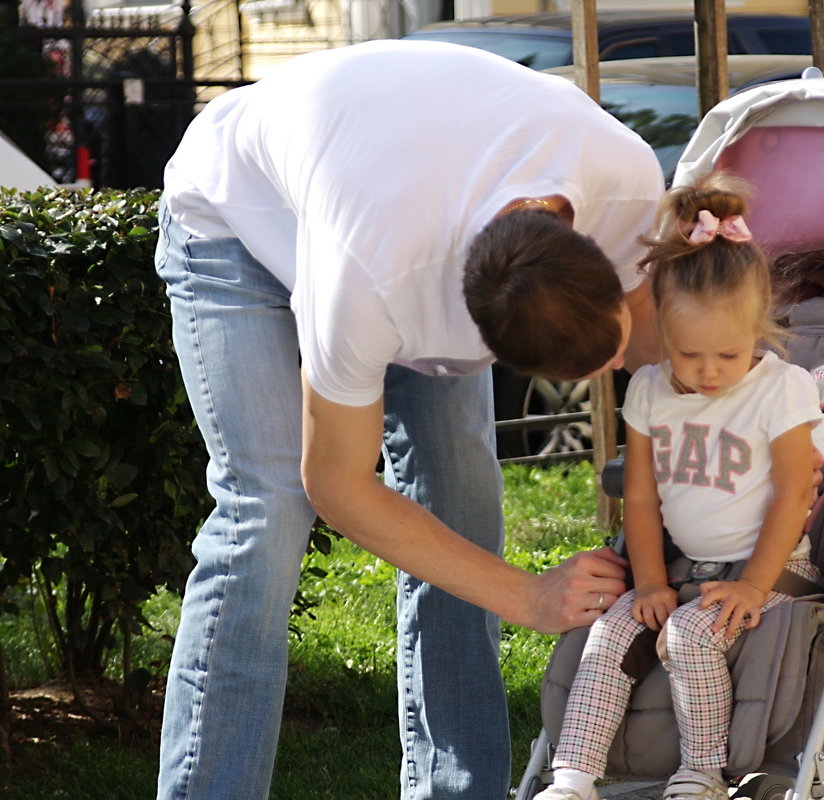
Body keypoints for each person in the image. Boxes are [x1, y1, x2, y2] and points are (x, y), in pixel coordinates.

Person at [152, 40, 667, 800]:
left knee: (461, 507)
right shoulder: (369, 283)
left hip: (384, 173)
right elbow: (337, 484)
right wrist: (524, 595)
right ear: (477, 334)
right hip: (236, 219)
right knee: (266, 513)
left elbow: (667, 359)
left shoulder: (623, 183)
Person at [534, 173, 824, 800]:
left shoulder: (781, 390)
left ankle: (702, 770)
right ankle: (573, 776)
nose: (710, 371)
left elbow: (791, 495)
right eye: (690, 354)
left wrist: (754, 583)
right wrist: (648, 582)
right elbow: (639, 499)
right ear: (662, 332)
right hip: (677, 564)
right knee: (609, 632)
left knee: (691, 634)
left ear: (760, 327)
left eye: (728, 353)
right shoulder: (649, 391)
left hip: (772, 570)